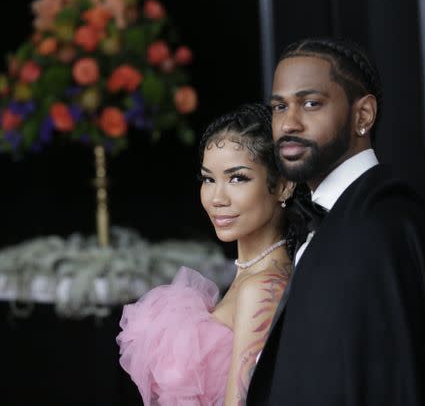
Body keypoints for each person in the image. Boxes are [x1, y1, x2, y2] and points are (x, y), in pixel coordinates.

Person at [246, 37, 425, 405]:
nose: (288, 123)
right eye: (279, 107)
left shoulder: (378, 229)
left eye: (311, 104)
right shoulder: (357, 215)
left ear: (363, 115)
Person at [116, 103, 301, 405]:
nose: (216, 197)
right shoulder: (250, 276)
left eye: (237, 178)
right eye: (208, 179)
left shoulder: (262, 287)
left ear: (283, 185)